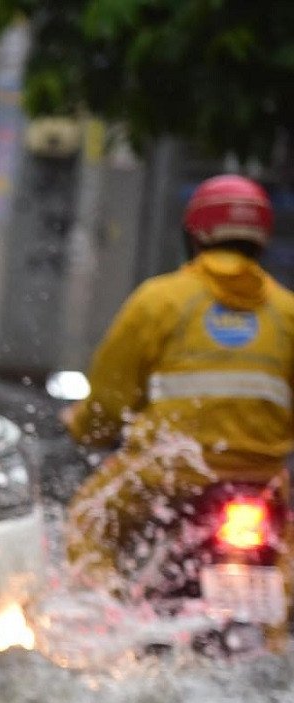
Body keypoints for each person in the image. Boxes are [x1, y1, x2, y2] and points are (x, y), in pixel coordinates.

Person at [63, 173, 294, 595]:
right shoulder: (287, 311)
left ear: (195, 234)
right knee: (284, 570)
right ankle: (276, 638)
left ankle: (103, 619)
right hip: (260, 482)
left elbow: (109, 404)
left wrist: (85, 429)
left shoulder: (159, 300)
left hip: (167, 476)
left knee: (87, 523)